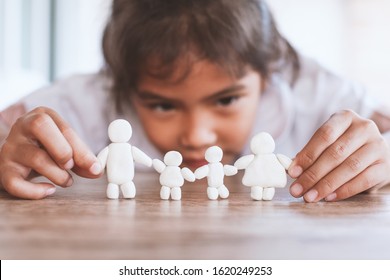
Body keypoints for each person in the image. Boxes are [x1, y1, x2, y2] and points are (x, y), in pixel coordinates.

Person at [0, 0, 390, 202]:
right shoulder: (83, 99)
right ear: (119, 82)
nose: (197, 135)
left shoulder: (313, 90)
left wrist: (382, 154)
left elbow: (382, 134)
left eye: (226, 100)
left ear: (269, 74)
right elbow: (9, 134)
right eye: (163, 105)